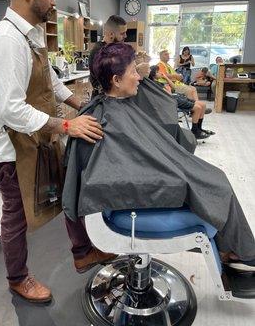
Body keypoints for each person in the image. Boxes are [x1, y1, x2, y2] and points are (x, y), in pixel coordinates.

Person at [0, 0, 114, 304]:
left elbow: (50, 82)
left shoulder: (30, 34)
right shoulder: (7, 41)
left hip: (37, 139)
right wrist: (67, 125)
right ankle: (17, 278)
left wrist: (80, 103)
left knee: (69, 187)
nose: (53, 0)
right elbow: (11, 109)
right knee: (17, 215)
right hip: (11, 148)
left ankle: (83, 251)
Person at [63, 42, 255, 277]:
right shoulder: (97, 122)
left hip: (144, 181)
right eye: (134, 71)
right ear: (115, 80)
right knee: (213, 184)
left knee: (213, 180)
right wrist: (174, 179)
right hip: (130, 200)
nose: (138, 76)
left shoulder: (118, 105)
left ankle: (233, 249)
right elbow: (102, 180)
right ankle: (245, 253)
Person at [149, 65, 214, 139]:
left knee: (203, 105)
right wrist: (168, 90)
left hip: (176, 97)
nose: (160, 73)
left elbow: (173, 87)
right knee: (198, 108)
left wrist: (166, 78)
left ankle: (199, 128)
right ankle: (195, 131)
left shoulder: (159, 83)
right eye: (157, 72)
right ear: (153, 75)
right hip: (174, 100)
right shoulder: (155, 84)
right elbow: (168, 94)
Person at [88, 15, 127, 98]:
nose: (125, 36)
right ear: (111, 34)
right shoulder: (99, 52)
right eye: (122, 33)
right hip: (103, 100)